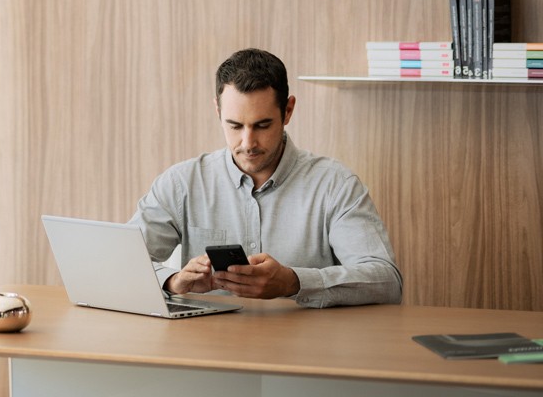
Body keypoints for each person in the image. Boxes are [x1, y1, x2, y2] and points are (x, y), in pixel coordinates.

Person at [129, 48, 402, 308]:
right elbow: (119, 264)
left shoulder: (335, 186)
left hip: (306, 349)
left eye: (262, 125)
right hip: (208, 349)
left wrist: (294, 283)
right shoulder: (182, 184)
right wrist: (173, 281)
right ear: (217, 111)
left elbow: (387, 281)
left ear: (288, 111)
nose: (248, 143)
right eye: (234, 126)